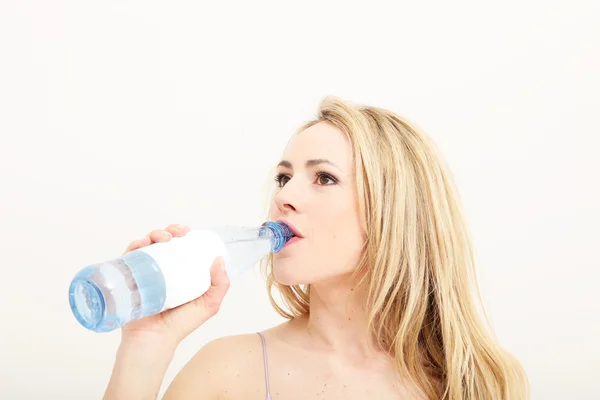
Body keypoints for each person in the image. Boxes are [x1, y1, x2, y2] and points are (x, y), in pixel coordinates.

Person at [102, 97, 529, 400]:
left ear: (394, 210)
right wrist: (146, 348)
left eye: (323, 178)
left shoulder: (479, 380)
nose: (284, 197)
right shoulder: (227, 371)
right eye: (283, 178)